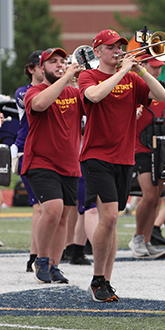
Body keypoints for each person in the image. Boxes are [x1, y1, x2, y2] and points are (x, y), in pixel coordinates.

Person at [79, 29, 165, 302]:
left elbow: (161, 94)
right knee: (109, 218)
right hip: (96, 156)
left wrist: (141, 71)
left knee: (112, 222)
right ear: (98, 52)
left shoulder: (132, 78)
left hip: (124, 157)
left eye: (119, 46)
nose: (116, 51)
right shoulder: (89, 76)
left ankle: (106, 279)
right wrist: (123, 71)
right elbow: (94, 96)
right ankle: (97, 279)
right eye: (110, 48)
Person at [23, 48, 85, 284]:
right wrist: (68, 76)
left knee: (64, 217)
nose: (59, 65)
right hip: (41, 161)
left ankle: (54, 265)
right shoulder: (35, 91)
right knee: (53, 209)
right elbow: (40, 105)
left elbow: (94, 104)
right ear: (41, 69)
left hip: (70, 163)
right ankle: (40, 259)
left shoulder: (73, 91)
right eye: (53, 63)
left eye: (62, 61)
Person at [129, 54, 165, 259]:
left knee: (157, 195)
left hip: (161, 146)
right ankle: (137, 238)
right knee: (148, 194)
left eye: (159, 67)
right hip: (140, 147)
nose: (157, 71)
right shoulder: (134, 86)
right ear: (143, 66)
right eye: (153, 67)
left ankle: (146, 241)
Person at [13, 50, 44, 273]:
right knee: (40, 206)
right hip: (28, 149)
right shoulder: (24, 92)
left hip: (49, 150)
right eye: (41, 65)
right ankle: (35, 255)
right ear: (31, 69)